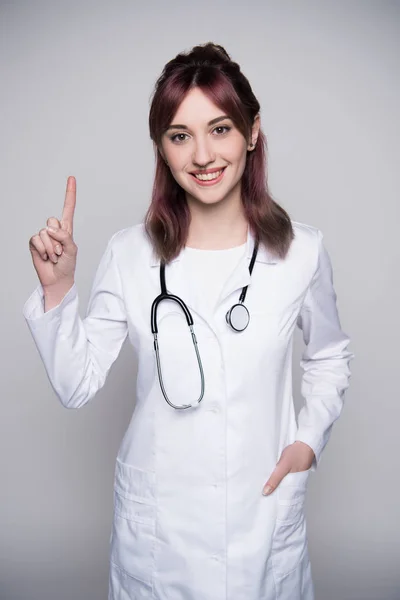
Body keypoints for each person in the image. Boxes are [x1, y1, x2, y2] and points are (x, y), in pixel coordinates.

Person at [23, 42, 354, 600]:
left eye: (220, 129)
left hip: (261, 518)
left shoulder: (301, 252)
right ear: (162, 148)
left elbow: (329, 355)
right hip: (161, 534)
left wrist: (308, 440)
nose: (202, 154)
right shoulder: (129, 254)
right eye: (180, 136)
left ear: (252, 132)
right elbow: (76, 386)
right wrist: (57, 290)